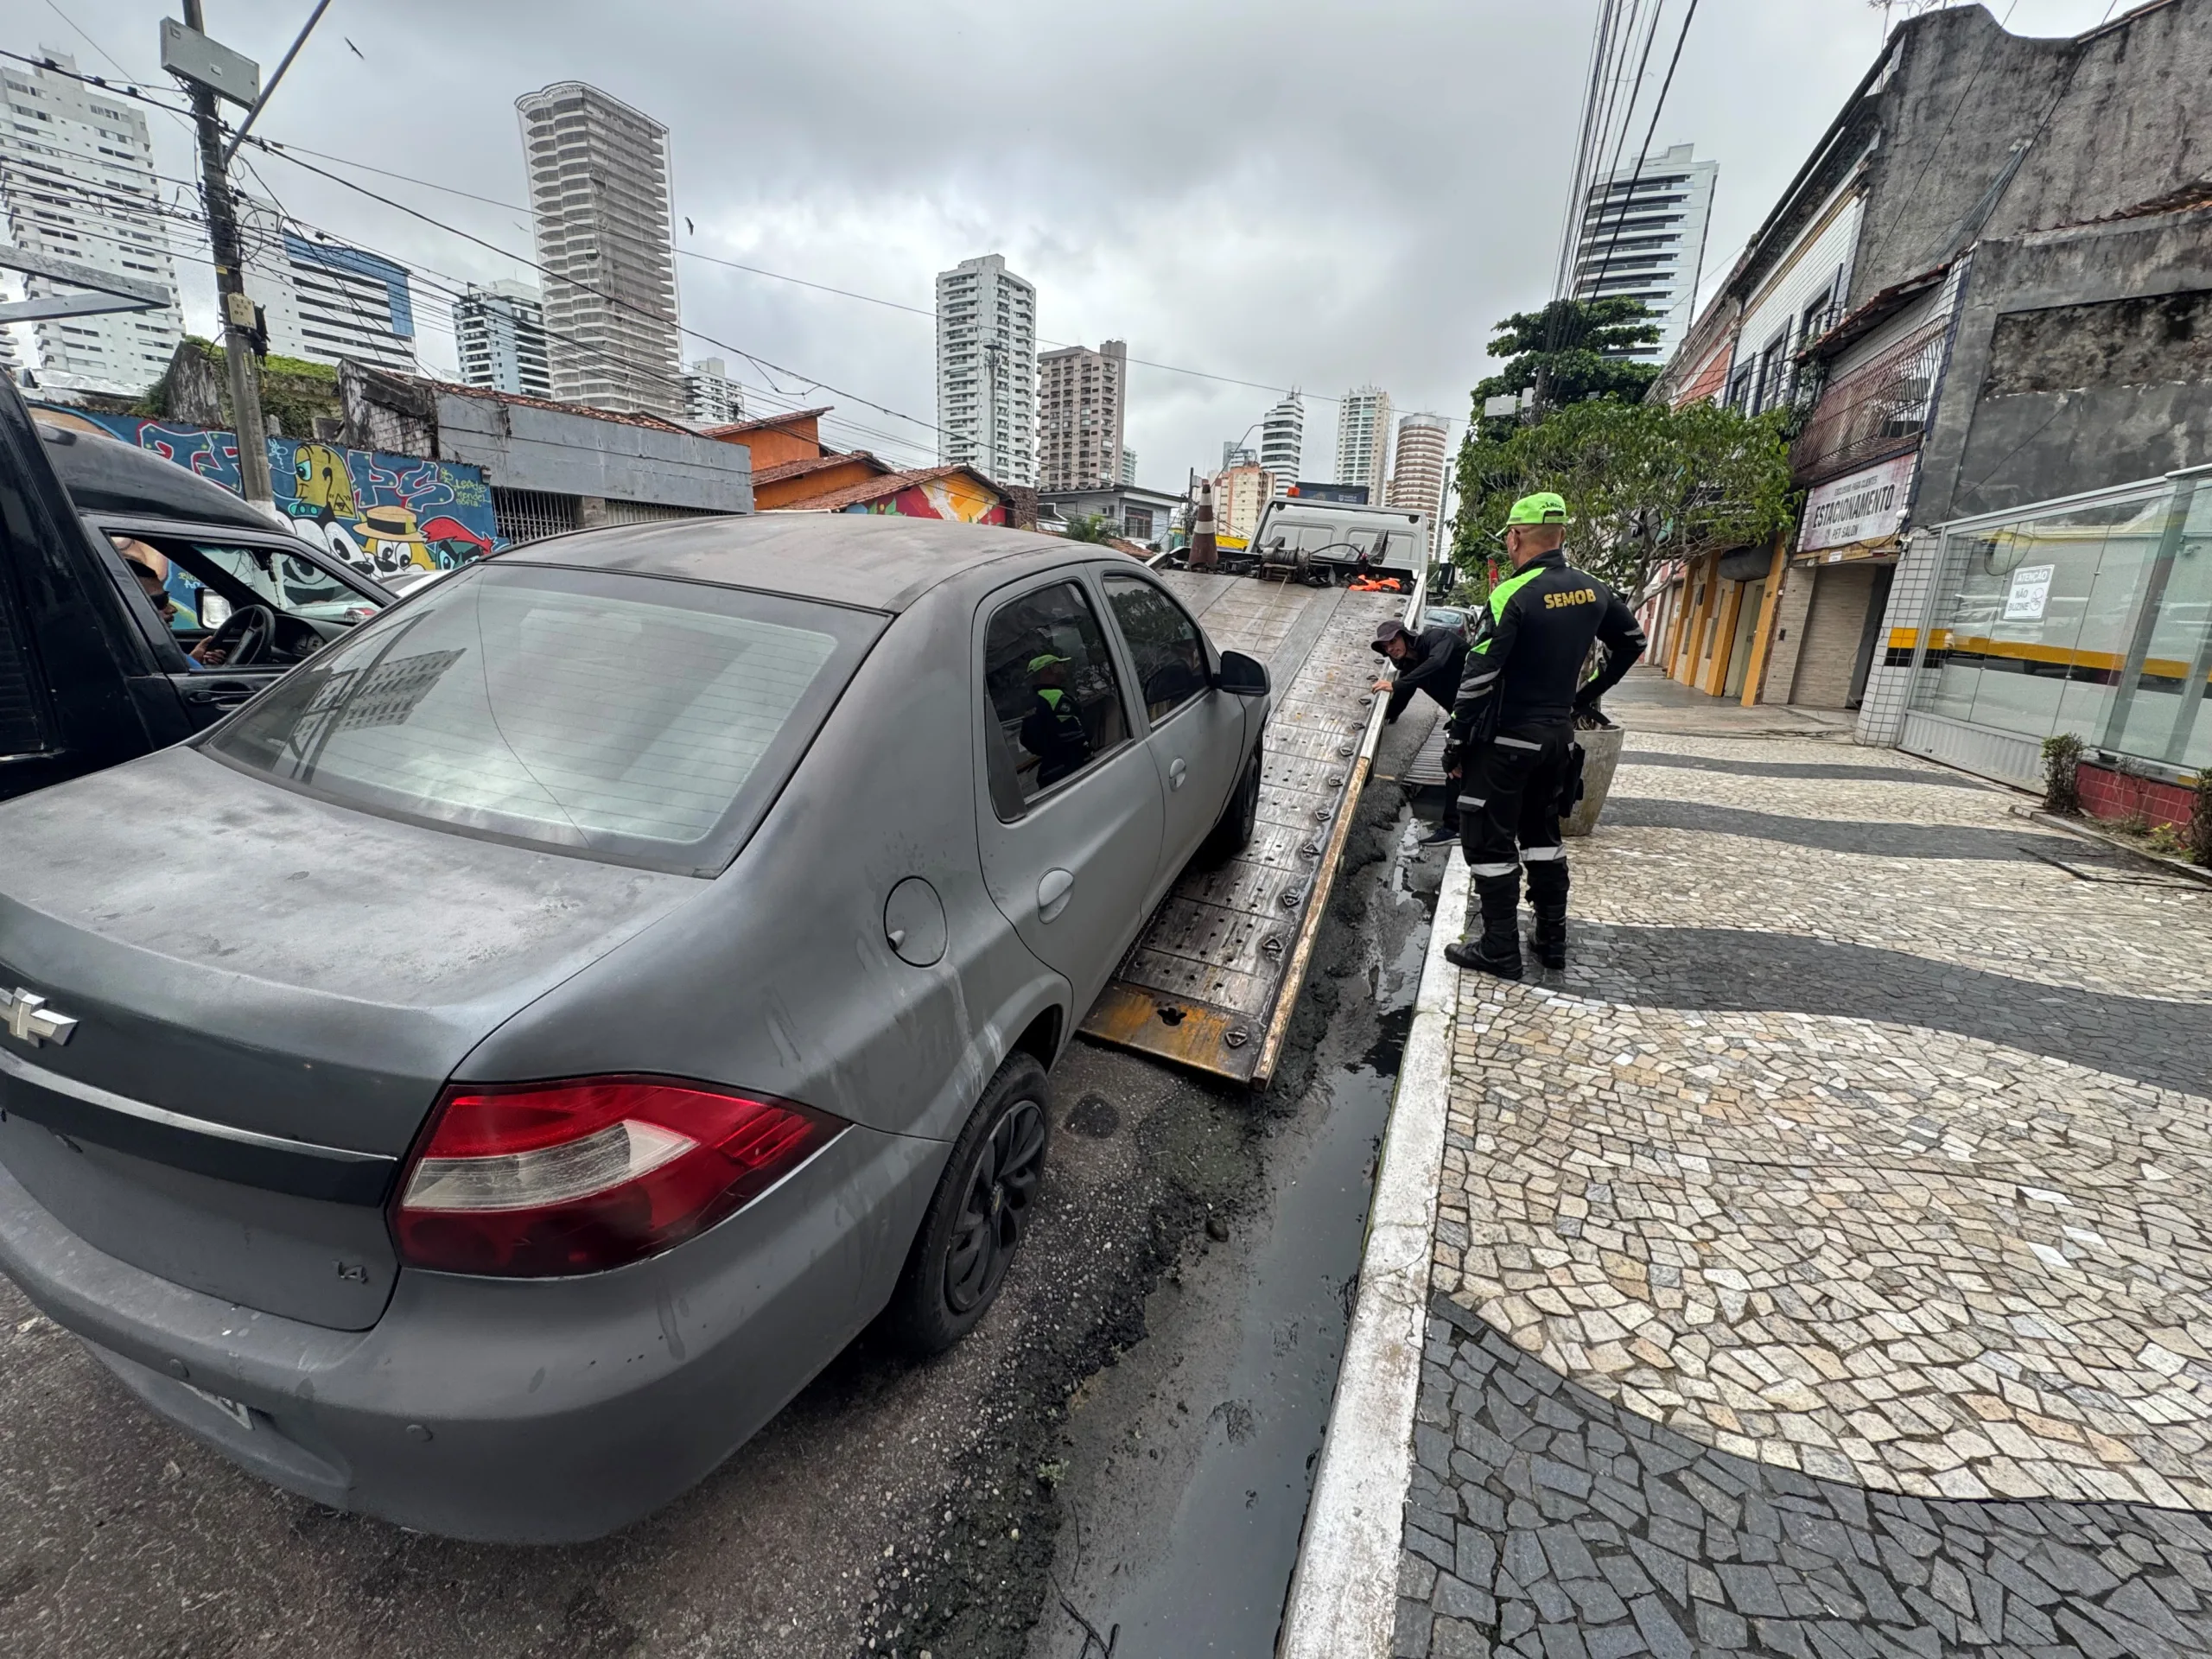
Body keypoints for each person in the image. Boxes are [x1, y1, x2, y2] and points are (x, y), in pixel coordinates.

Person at [1442, 492, 1645, 980]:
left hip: (1507, 740)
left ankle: (1499, 950)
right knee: (1543, 837)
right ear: (1562, 535)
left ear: (1516, 536)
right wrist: (1585, 696)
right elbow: (1633, 643)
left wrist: (1456, 737)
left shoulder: (1513, 594)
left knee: (1490, 843)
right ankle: (1552, 940)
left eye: (1509, 537)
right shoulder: (1594, 590)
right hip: (1557, 737)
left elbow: (1479, 674)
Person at [1371, 616, 1468, 846]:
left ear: (1406, 636)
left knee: (1458, 766)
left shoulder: (1437, 638)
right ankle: (1459, 826)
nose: (1391, 649)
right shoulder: (1410, 670)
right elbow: (1398, 704)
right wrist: (1373, 719)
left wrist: (1395, 685)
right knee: (1456, 767)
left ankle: (1458, 828)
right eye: (1386, 647)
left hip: (1488, 706)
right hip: (1464, 716)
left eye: (1394, 641)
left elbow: (1437, 663)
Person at [123, 553, 230, 668]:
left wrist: (193, 659)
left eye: (166, 597)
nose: (172, 609)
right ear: (126, 605)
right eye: (160, 601)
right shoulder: (143, 654)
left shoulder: (142, 651)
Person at [1020, 652, 1093, 786]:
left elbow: (1026, 739)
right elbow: (1081, 733)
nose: (1064, 668)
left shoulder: (1032, 702)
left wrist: (1049, 752)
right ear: (1049, 670)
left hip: (1050, 773)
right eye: (1059, 665)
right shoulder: (1057, 697)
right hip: (1073, 770)